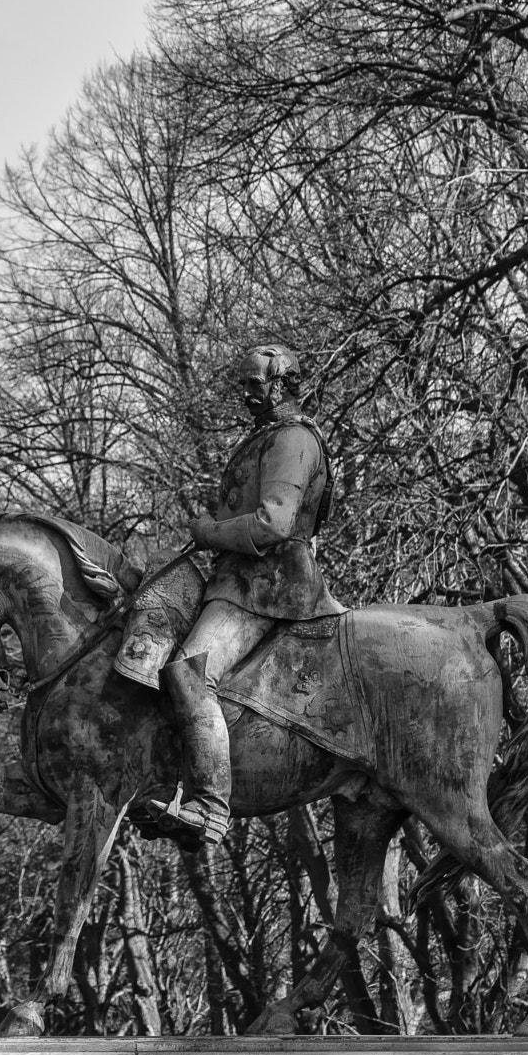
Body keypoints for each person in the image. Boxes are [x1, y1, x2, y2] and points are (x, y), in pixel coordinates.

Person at [161, 342, 340, 843]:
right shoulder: (268, 437)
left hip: (268, 587)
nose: (244, 394)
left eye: (253, 385)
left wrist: (207, 533)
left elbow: (274, 522)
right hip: (240, 581)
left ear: (282, 385)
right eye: (242, 385)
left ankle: (210, 807)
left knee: (189, 670)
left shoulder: (294, 439)